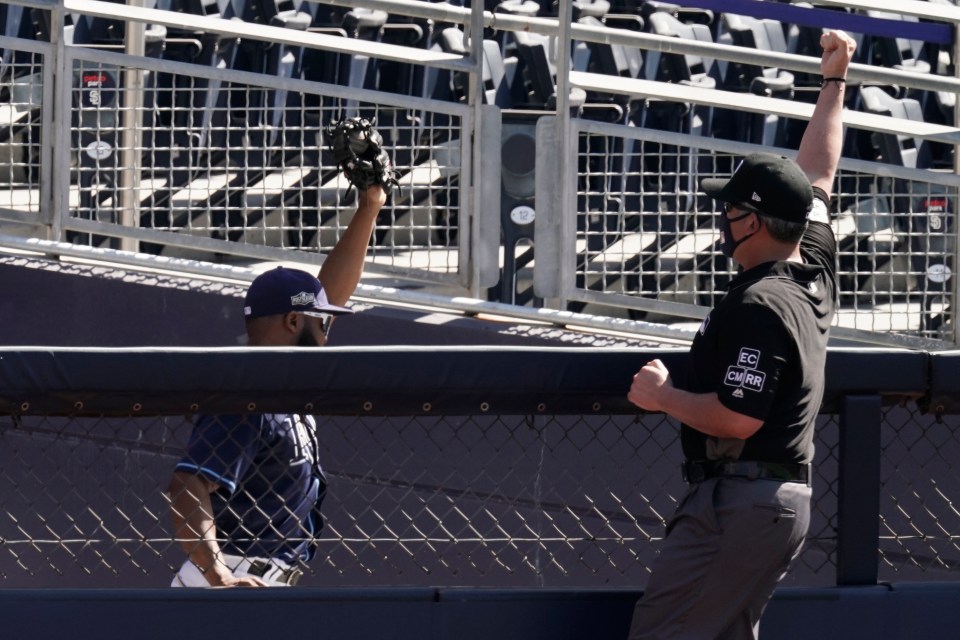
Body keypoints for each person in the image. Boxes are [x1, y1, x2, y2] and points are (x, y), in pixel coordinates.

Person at [625, 30, 856, 639]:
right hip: (765, 502)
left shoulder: (759, 302)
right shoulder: (812, 261)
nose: (723, 220)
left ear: (753, 221)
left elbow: (739, 417)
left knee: (664, 633)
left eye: (731, 210)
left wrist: (662, 395)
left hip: (742, 500)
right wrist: (834, 81)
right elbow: (819, 173)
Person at [167, 185, 387, 587]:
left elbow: (330, 294)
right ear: (292, 323)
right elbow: (187, 483)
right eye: (321, 324)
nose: (327, 333)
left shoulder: (286, 384)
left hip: (264, 578)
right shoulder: (247, 396)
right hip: (231, 576)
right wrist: (217, 573)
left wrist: (369, 209)